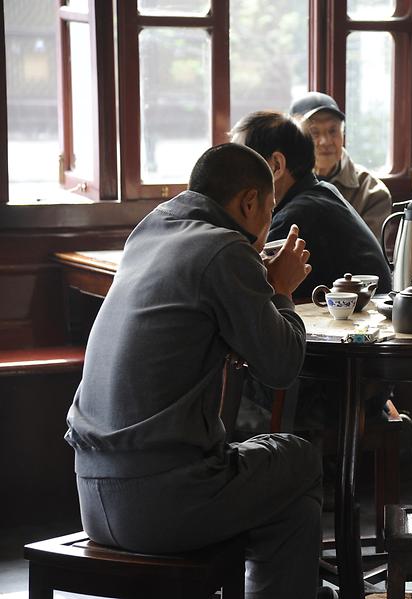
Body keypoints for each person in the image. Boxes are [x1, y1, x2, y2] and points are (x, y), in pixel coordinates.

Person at [65, 143, 335, 599]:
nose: (267, 225)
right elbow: (282, 366)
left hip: (92, 494)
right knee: (300, 458)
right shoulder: (225, 248)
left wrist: (259, 289)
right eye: (269, 211)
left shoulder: (149, 233)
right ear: (249, 202)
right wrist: (283, 291)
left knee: (291, 512)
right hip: (161, 503)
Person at [230, 110, 391, 302]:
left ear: (276, 165)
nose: (233, 176)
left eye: (241, 163)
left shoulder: (297, 219)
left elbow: (249, 293)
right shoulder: (319, 193)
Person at [290, 91, 392, 240]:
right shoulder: (280, 185)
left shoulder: (372, 193)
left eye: (333, 131)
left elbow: (365, 257)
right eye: (314, 133)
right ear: (295, 140)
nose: (325, 141)